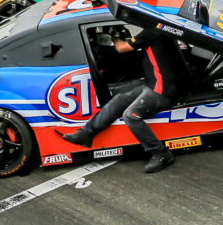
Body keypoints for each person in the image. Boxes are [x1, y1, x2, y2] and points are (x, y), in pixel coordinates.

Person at [57, 25, 188, 173]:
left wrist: (114, 35)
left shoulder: (151, 31)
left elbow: (121, 48)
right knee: (119, 100)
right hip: (153, 85)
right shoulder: (156, 29)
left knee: (131, 115)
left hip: (163, 91)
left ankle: (160, 153)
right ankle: (86, 134)